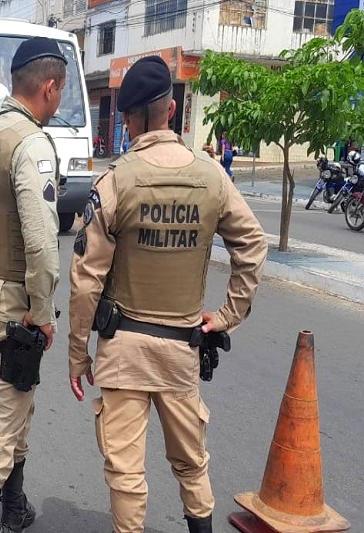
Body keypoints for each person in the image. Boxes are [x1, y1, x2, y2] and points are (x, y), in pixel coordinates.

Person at [67, 55, 268, 533]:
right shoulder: (212, 176)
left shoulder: (115, 180)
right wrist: (227, 315)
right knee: (191, 463)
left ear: (127, 118)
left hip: (123, 350)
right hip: (181, 349)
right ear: (171, 110)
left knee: (126, 473)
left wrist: (77, 353)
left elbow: (87, 278)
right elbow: (253, 244)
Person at [0, 36, 65, 533]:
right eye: (61, 91)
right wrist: (43, 314)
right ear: (49, 88)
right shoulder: (31, 144)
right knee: (5, 411)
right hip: (13, 306)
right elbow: (42, 246)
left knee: (18, 395)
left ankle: (14, 505)